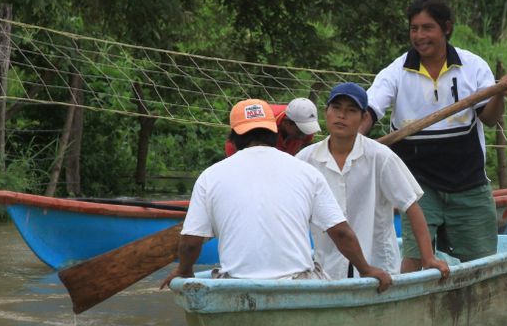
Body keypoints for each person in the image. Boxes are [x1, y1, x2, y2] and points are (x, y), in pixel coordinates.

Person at [361, 0, 507, 271]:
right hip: (418, 185)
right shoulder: (396, 71)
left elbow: (489, 118)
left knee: (482, 263)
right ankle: (409, 307)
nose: (420, 36)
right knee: (413, 259)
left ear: (446, 29)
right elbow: (369, 110)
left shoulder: (473, 66)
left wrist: (501, 94)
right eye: (414, 28)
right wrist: (354, 137)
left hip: (468, 183)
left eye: (428, 28)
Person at [161, 98, 391, 291]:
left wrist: (184, 270)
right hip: (297, 286)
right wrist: (366, 269)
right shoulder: (306, 172)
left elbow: (191, 242)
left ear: (234, 136)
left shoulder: (209, 177)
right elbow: (340, 232)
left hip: (235, 286)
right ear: (274, 131)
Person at [299, 82, 450, 280]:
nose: (341, 116)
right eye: (336, 108)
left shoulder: (380, 157)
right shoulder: (305, 160)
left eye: (351, 110)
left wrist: (428, 258)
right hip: (328, 267)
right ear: (325, 112)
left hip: (379, 266)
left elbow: (411, 205)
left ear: (363, 118)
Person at [223, 97, 320, 157]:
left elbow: (308, 145)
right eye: (300, 132)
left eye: (307, 130)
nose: (303, 136)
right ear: (287, 123)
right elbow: (233, 144)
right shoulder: (262, 125)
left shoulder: (303, 123)